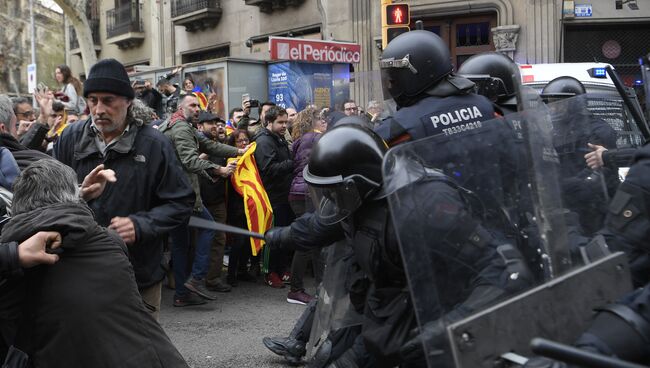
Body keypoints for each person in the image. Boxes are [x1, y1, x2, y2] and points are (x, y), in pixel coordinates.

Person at [0, 159, 189, 368]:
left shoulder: (13, 262)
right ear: (72, 195)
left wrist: (11, 255)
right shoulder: (109, 241)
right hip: (150, 357)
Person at [53, 58, 195, 319]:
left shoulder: (154, 144)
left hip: (138, 276)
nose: (98, 109)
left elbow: (181, 203)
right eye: (92, 100)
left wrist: (140, 225)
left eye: (108, 100)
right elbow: (49, 203)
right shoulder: (70, 138)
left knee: (139, 356)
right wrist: (78, 195)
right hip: (78, 274)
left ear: (128, 101)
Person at [159, 94, 244, 306]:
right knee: (209, 228)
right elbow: (190, 161)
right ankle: (196, 279)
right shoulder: (180, 129)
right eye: (192, 105)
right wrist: (219, 169)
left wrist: (239, 151)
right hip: (183, 195)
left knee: (180, 245)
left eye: (199, 106)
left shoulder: (181, 126)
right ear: (180, 107)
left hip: (173, 195)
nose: (197, 109)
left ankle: (181, 294)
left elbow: (211, 146)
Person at [374, 30, 495, 146]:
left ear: (411, 76)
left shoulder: (400, 126)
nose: (390, 84)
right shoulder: (486, 106)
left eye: (393, 79)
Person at [286, 107, 327, 304]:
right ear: (312, 122)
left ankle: (320, 287)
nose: (324, 121)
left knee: (313, 241)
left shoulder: (300, 140)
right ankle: (296, 290)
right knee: (307, 242)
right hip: (308, 194)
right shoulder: (314, 138)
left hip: (300, 192)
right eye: (320, 118)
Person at [252, 105, 294, 288]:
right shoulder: (264, 142)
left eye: (286, 122)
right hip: (273, 197)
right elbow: (269, 169)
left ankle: (282, 268)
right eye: (281, 122)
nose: (285, 125)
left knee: (285, 235)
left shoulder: (279, 138)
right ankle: (269, 271)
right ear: (269, 122)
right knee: (273, 236)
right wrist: (292, 163)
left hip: (284, 195)